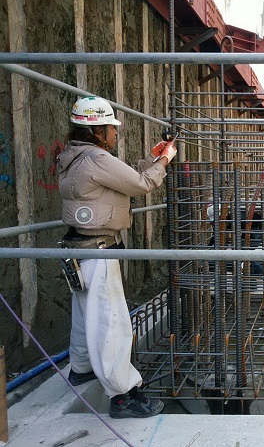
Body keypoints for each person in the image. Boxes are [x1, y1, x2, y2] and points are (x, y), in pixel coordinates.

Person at [56, 96, 177, 418]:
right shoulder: (95, 157)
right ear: (98, 131)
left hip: (78, 247)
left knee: (85, 315)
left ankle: (81, 367)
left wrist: (153, 156)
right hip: (98, 249)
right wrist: (163, 163)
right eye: (112, 128)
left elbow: (122, 174)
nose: (116, 134)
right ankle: (124, 395)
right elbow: (140, 184)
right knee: (110, 321)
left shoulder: (73, 156)